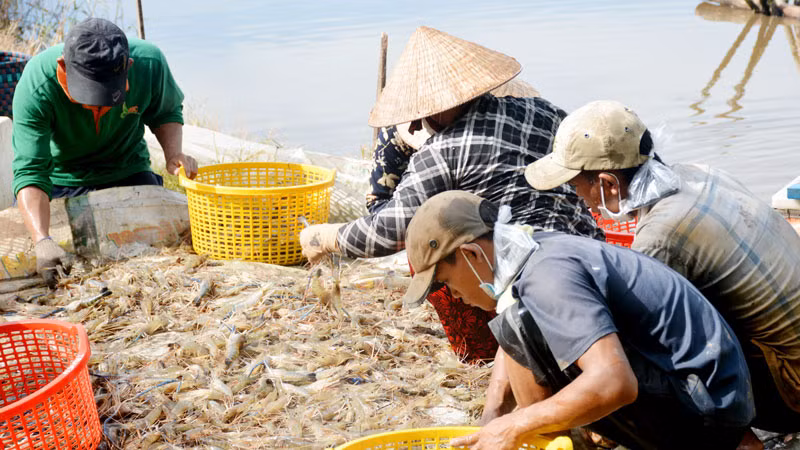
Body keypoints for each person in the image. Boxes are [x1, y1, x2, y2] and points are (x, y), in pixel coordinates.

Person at [299, 26, 602, 371]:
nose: (417, 125)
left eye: (421, 115)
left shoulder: (444, 150)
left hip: (529, 278)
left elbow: (388, 232)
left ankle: (482, 351)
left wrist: (324, 237)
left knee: (428, 245)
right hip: (589, 255)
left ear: (440, 108)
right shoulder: (545, 111)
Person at [525, 100, 800, 437]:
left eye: (576, 184)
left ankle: (736, 439)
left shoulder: (663, 233)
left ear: (608, 184)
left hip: (791, 391)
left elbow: (658, 337)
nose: (579, 196)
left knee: (613, 350)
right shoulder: (699, 173)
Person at [403, 190, 755, 450]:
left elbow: (615, 382)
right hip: (703, 385)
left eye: (445, 282)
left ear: (470, 253)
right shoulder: (530, 252)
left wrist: (517, 425)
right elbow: (511, 343)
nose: (453, 296)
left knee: (522, 330)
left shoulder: (548, 277)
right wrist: (494, 415)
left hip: (708, 406)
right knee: (516, 324)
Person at [11, 18, 198, 287]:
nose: (98, 108)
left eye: (108, 96)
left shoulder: (150, 62)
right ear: (62, 68)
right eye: (87, 95)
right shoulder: (37, 84)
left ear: (128, 69)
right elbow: (30, 171)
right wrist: (42, 240)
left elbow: (166, 110)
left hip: (128, 168)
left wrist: (173, 154)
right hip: (64, 178)